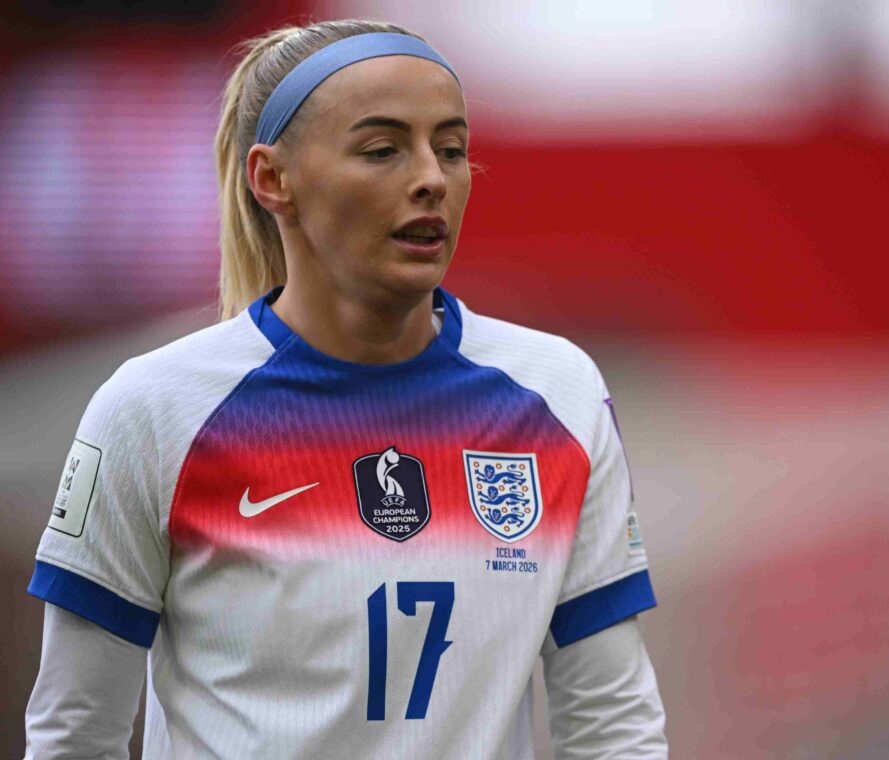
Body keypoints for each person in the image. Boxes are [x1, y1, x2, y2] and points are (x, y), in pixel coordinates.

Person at [22, 18, 667, 760]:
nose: (431, 177)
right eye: (383, 149)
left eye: (451, 149)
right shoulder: (155, 409)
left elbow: (613, 726)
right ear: (273, 179)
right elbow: (76, 733)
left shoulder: (558, 394)